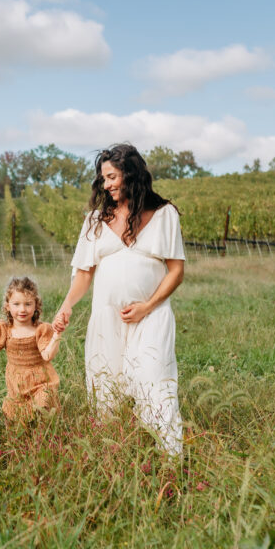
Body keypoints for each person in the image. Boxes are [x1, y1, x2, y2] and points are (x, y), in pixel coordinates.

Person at [53, 143, 185, 456]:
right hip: (106, 319)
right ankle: (113, 458)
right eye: (103, 179)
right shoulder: (95, 221)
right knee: (106, 392)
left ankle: (172, 459)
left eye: (112, 176)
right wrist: (66, 307)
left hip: (151, 317)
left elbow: (176, 271)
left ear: (131, 173)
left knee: (155, 383)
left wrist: (147, 307)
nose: (107, 184)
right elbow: (83, 275)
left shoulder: (164, 215)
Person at [0, 276, 62, 424]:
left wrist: (57, 334)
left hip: (41, 381)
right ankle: (23, 441)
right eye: (16, 304)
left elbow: (47, 355)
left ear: (36, 306)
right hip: (17, 384)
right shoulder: (4, 329)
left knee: (43, 407)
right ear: (8, 306)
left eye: (28, 304)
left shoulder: (40, 329)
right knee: (17, 419)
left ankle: (45, 439)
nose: (22, 309)